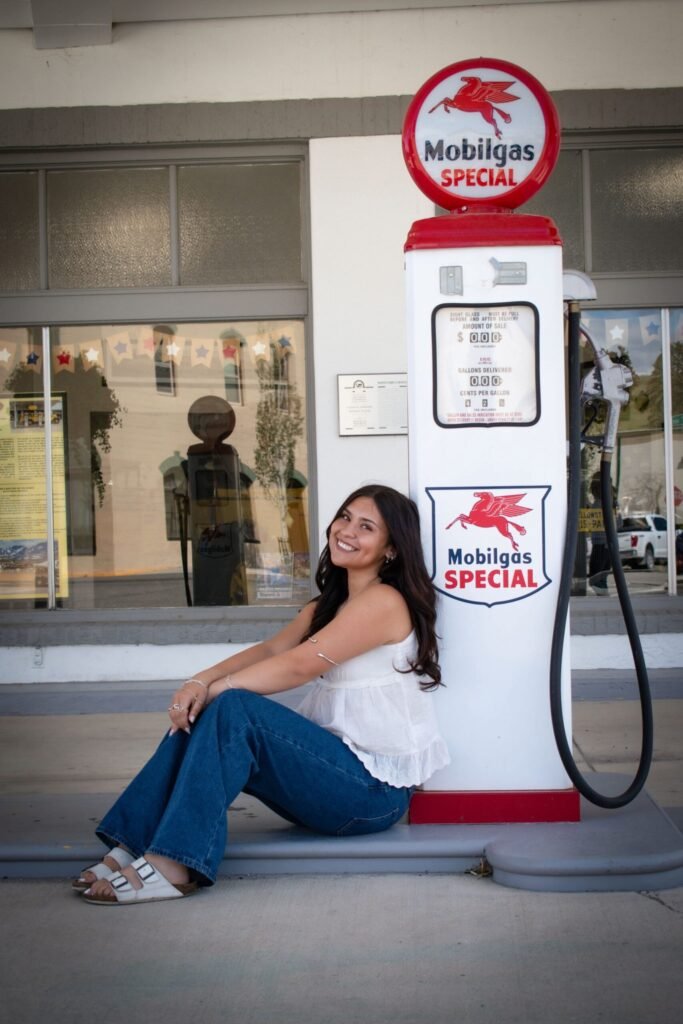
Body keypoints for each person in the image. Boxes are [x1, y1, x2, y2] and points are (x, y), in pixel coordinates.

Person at [74, 484, 451, 905]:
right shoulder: (330, 604)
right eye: (345, 517)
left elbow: (299, 664)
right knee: (215, 709)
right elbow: (272, 650)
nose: (346, 530)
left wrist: (217, 690)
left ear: (391, 548)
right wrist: (200, 681)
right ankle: (132, 843)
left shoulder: (384, 601)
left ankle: (174, 863)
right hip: (330, 776)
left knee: (234, 707)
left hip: (371, 795)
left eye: (366, 527)